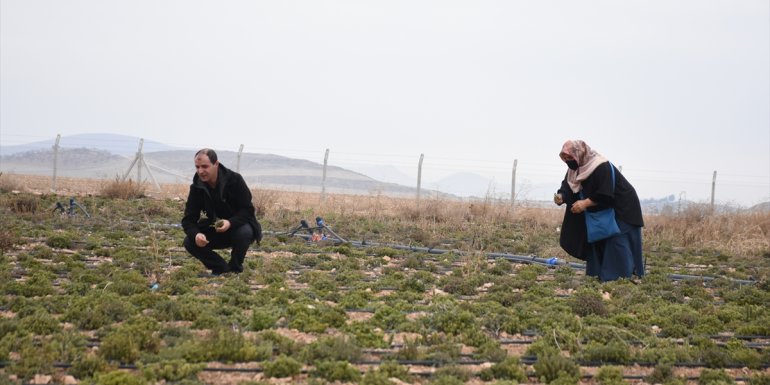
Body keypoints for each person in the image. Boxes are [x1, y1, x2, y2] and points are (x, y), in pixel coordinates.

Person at [554, 140, 644, 281]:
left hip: (622, 209)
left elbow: (606, 194)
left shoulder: (600, 166)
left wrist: (585, 203)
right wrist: (561, 196)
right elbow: (568, 186)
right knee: (596, 237)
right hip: (601, 210)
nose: (568, 161)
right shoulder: (575, 168)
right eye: (565, 158)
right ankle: (596, 277)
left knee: (615, 241)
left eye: (570, 157)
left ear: (580, 154)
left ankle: (617, 280)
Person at [182, 148, 262, 275]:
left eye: (205, 166)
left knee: (244, 231)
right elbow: (188, 220)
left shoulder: (235, 180)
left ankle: (235, 268)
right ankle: (220, 268)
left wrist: (229, 223)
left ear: (216, 164)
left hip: (237, 228)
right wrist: (196, 235)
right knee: (189, 241)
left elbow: (247, 210)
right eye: (197, 167)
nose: (200, 171)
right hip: (215, 229)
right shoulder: (197, 187)